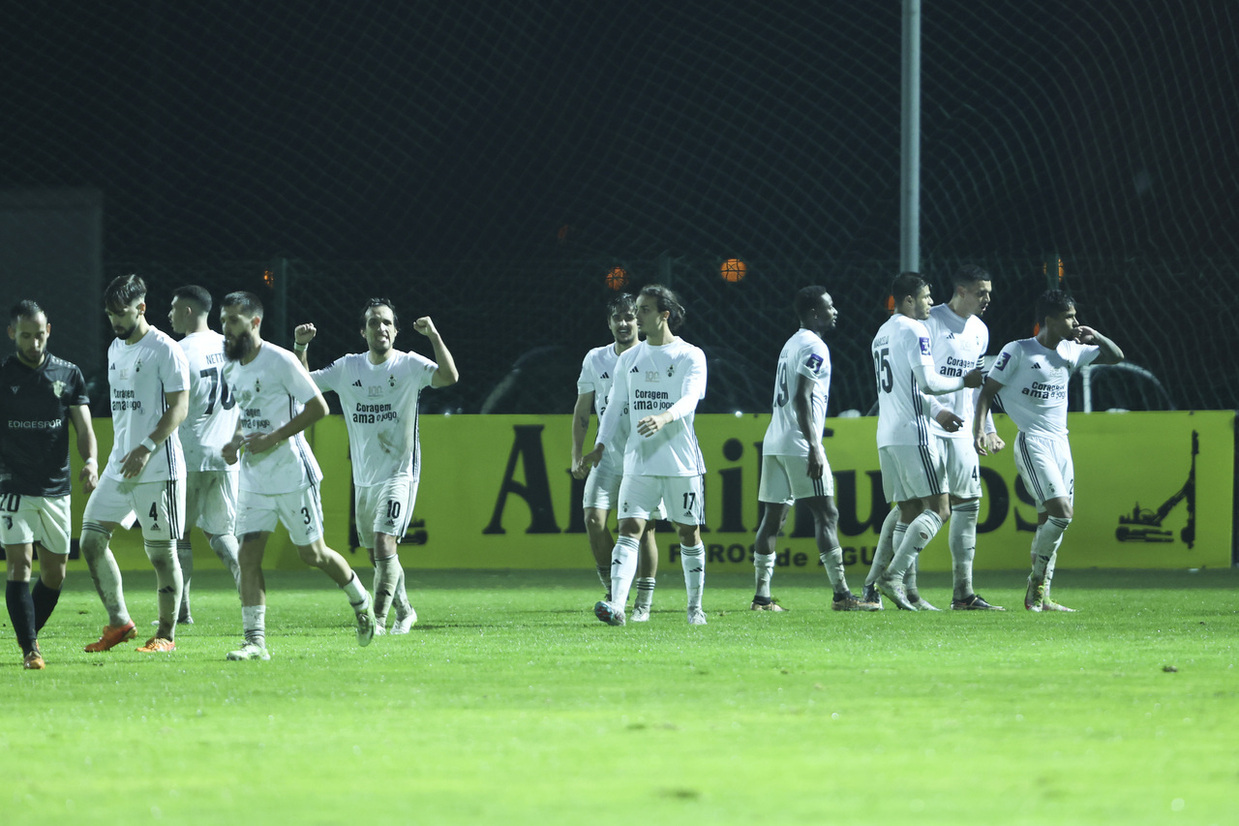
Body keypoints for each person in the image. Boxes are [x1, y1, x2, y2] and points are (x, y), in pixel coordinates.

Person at [219, 291, 375, 661]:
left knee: (313, 554)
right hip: (255, 478)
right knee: (247, 556)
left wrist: (273, 437)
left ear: (254, 322)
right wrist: (236, 441)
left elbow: (319, 406)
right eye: (223, 321)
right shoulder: (232, 366)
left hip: (292, 473)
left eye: (233, 321)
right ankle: (255, 642)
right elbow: (249, 412)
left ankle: (359, 599)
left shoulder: (280, 359)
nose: (226, 329)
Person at [293, 298, 458, 634]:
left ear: (395, 331)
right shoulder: (347, 368)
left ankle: (378, 621)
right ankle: (406, 611)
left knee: (385, 543)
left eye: (386, 322)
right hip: (365, 478)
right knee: (377, 555)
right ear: (363, 331)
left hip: (400, 472)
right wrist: (300, 346)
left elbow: (449, 376)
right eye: (373, 322)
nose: (380, 328)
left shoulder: (409, 365)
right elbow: (300, 385)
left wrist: (434, 335)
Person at [863, 266, 1005, 610]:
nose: (987, 298)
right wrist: (937, 408)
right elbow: (923, 381)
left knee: (960, 505)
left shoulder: (979, 331)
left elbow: (973, 388)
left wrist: (986, 428)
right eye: (981, 291)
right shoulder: (923, 325)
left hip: (953, 428)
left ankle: (962, 593)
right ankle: (897, 583)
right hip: (924, 428)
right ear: (962, 290)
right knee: (927, 509)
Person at [973, 289, 1123, 612]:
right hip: (1032, 441)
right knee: (1062, 513)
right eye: (1069, 316)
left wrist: (1094, 335)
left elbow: (1116, 356)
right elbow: (986, 393)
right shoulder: (1018, 351)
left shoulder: (1071, 350)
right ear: (1050, 320)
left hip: (1061, 444)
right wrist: (982, 432)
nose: (1075, 321)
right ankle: (1035, 584)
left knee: (1047, 523)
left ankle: (1042, 597)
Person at [584, 284, 708, 626]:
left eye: (643, 310)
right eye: (636, 309)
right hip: (638, 462)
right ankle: (618, 607)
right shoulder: (629, 359)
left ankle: (694, 608)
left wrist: (665, 416)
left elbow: (690, 399)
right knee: (629, 527)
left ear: (663, 315)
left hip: (680, 462)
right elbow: (615, 406)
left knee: (688, 532)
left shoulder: (690, 355)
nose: (636, 316)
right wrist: (601, 442)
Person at [80, 274, 190, 654]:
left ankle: (166, 635)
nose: (115, 321)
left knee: (161, 553)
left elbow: (179, 407)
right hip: (118, 466)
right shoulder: (115, 348)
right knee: (91, 541)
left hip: (157, 467)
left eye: (121, 313)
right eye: (110, 314)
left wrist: (145, 447)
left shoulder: (165, 349)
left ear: (141, 308)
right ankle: (119, 622)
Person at [751, 286, 875, 612]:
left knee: (772, 517)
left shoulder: (791, 343)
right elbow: (801, 397)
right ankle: (842, 595)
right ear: (814, 313)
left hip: (774, 440)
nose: (835, 311)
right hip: (796, 441)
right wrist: (814, 446)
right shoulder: (814, 346)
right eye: (830, 306)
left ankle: (761, 598)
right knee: (827, 513)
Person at [2, 300, 98, 669]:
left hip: (56, 487)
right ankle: (30, 650)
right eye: (26, 336)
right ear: (12, 333)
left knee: (55, 574)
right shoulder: (4, 375)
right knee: (19, 565)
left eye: (39, 335)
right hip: (12, 485)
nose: (34, 343)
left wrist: (90, 462)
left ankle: (28, 633)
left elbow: (85, 428)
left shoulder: (68, 374)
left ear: (48, 331)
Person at [571, 293, 661, 621]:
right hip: (606, 456)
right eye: (617, 318)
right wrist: (576, 453)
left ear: (639, 320)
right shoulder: (596, 359)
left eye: (629, 317)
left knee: (644, 527)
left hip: (643, 456)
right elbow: (583, 407)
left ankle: (643, 603)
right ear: (609, 323)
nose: (623, 323)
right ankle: (614, 591)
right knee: (594, 521)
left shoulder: (652, 356)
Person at [162, 285, 243, 623]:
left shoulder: (178, 351)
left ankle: (181, 612)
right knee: (221, 534)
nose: (169, 315)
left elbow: (172, 406)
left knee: (179, 535)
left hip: (189, 453)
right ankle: (251, 596)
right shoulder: (231, 348)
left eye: (173, 308)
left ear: (188, 312)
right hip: (226, 455)